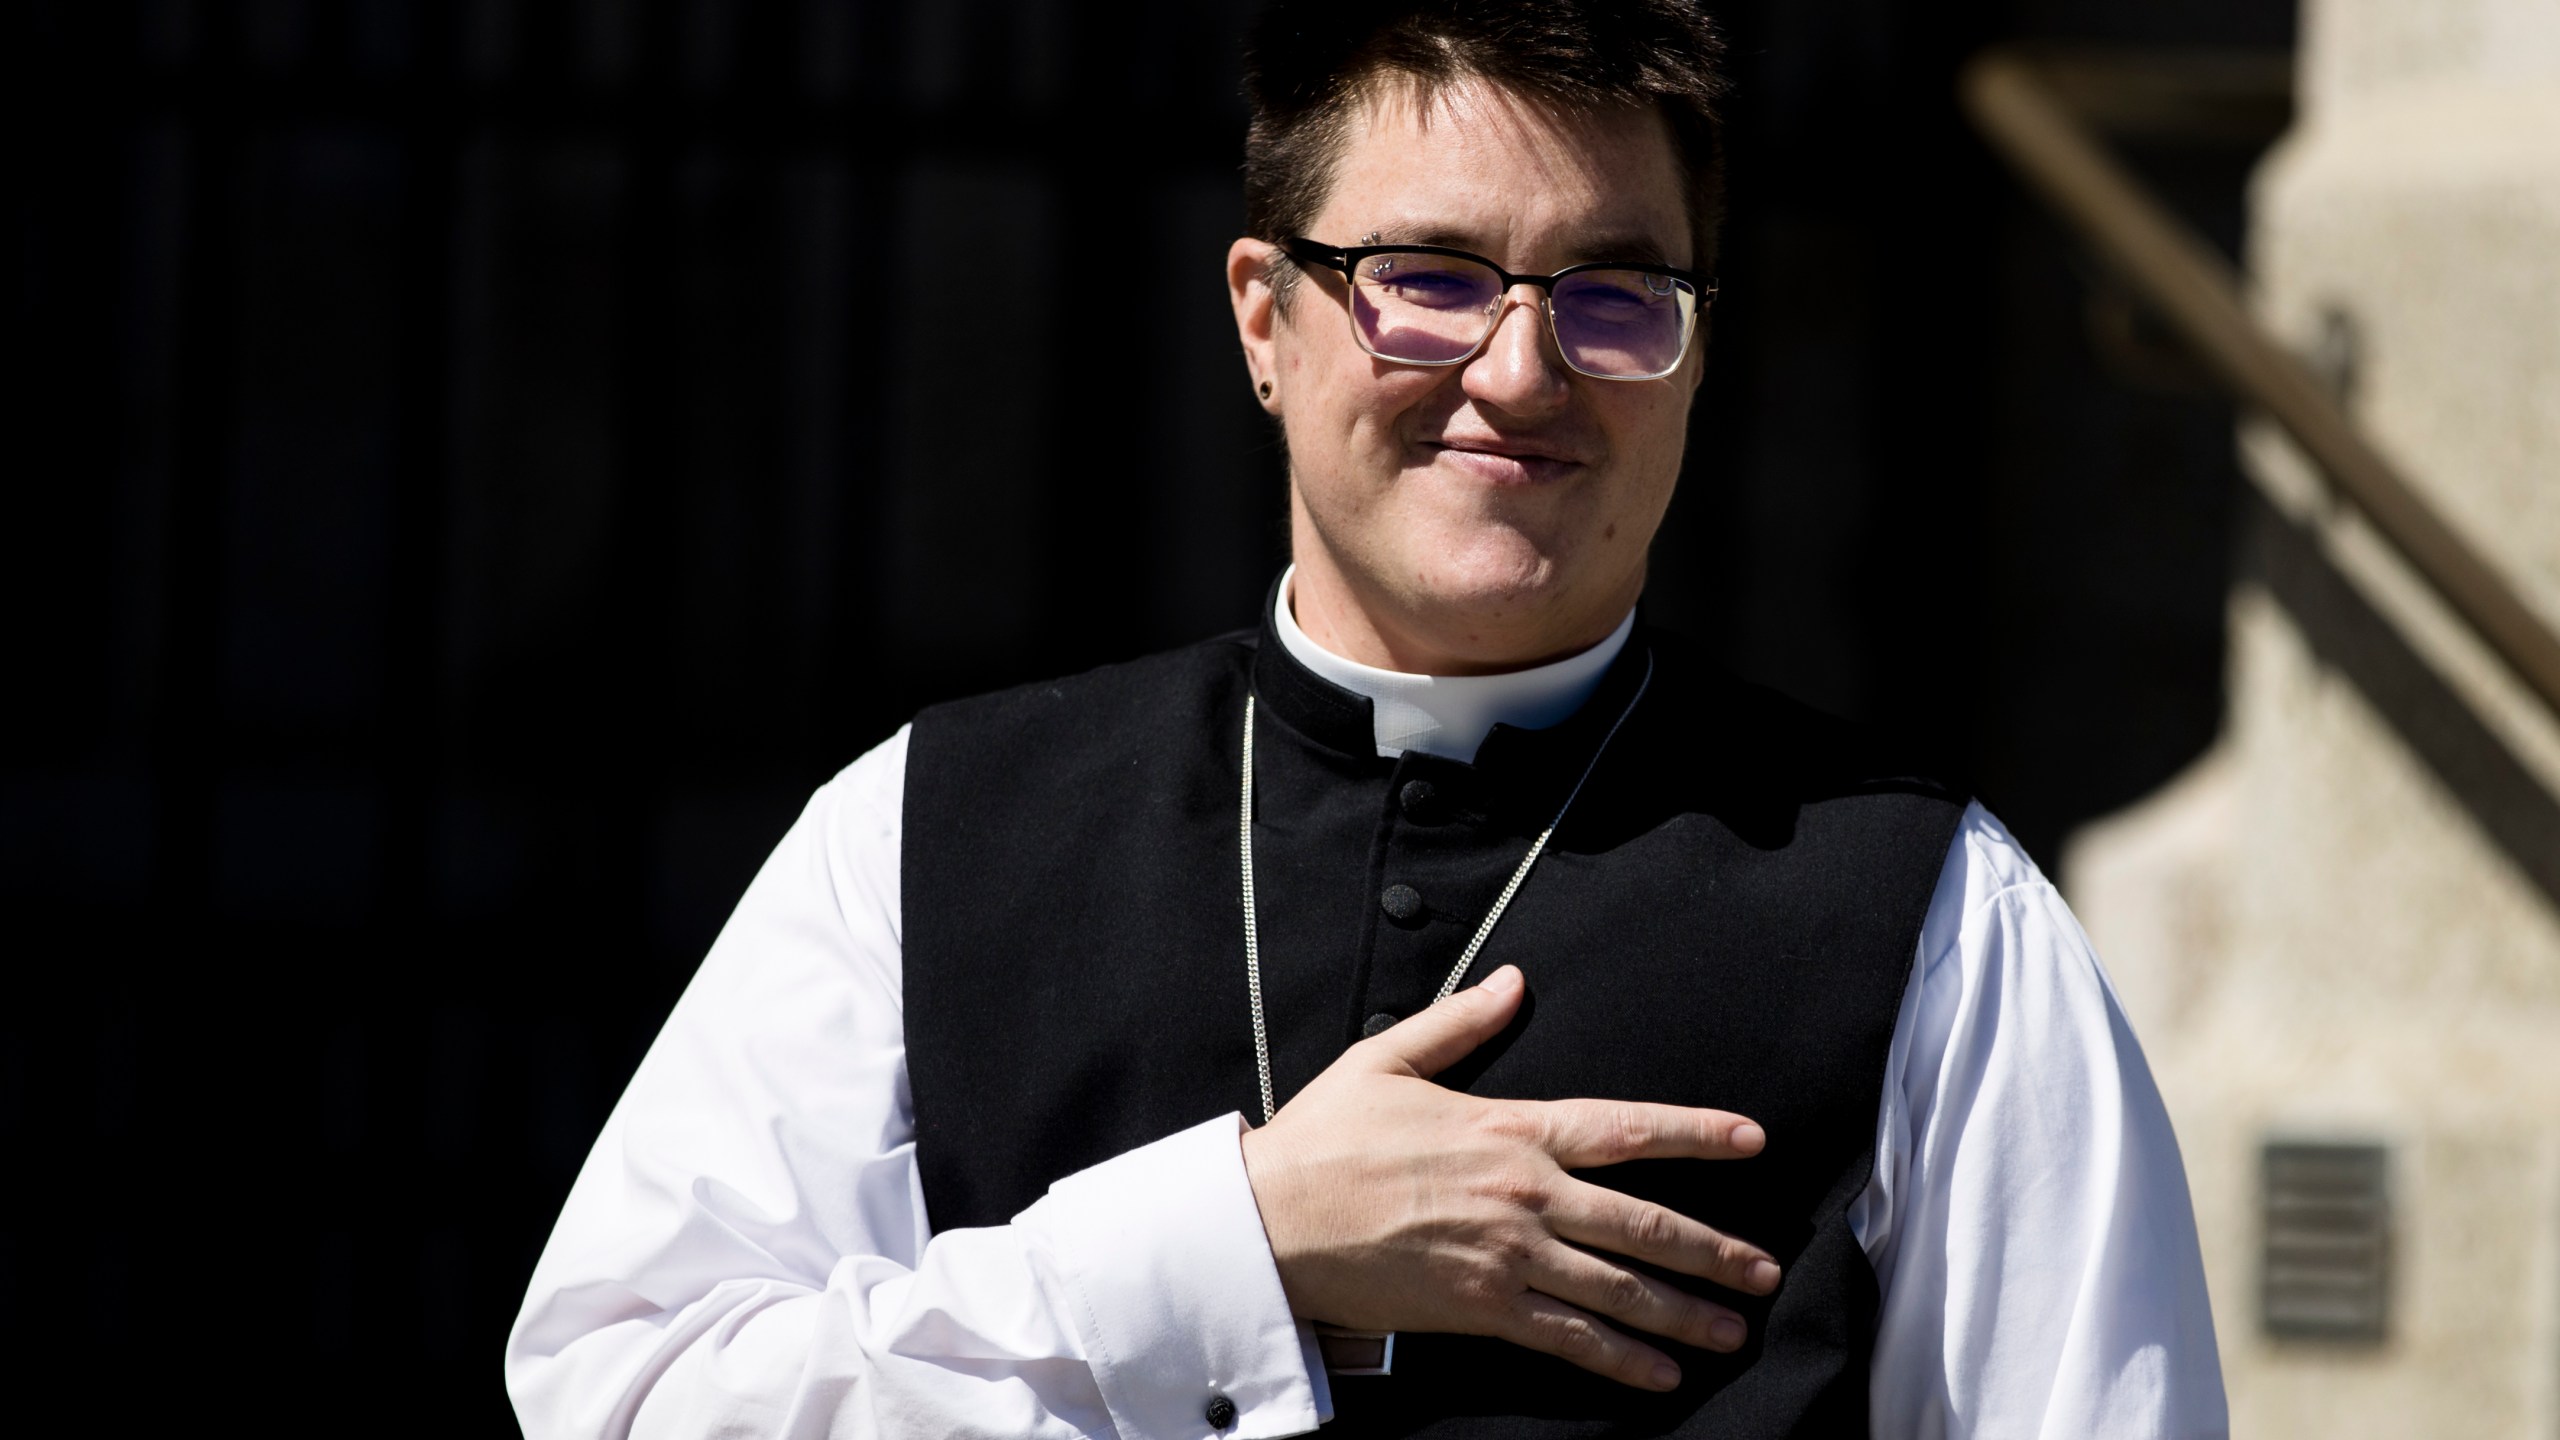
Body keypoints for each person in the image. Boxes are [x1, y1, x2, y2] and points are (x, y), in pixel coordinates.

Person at [506, 2, 2228, 1436]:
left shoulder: (1934, 912)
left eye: (1618, 296)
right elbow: (623, 1396)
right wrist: (1233, 1242)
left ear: (1697, 357)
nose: (1522, 373)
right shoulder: (926, 828)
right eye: (1432, 276)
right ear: (1266, 315)